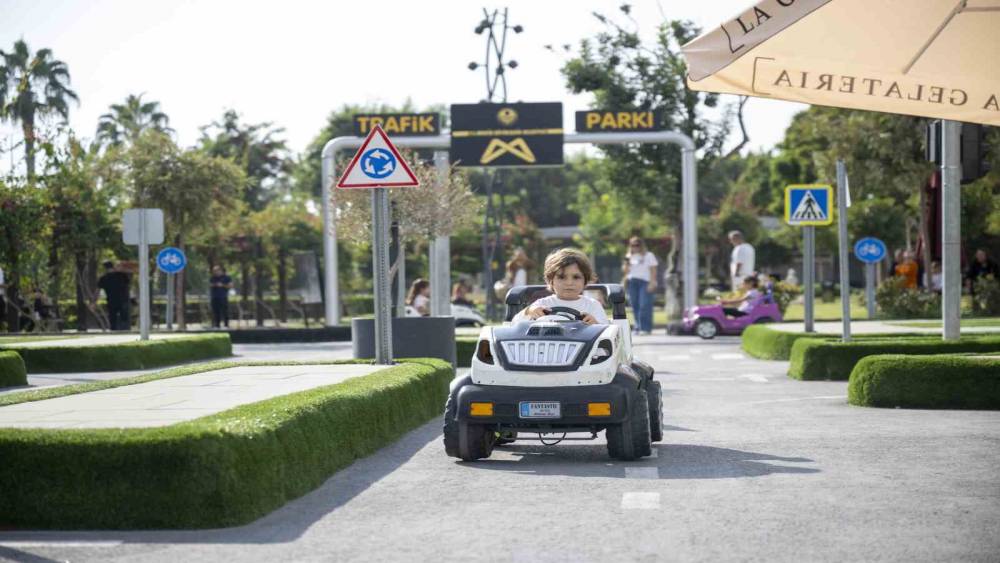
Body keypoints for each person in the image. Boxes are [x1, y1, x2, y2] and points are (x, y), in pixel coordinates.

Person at [514, 248, 608, 325]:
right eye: (562, 277)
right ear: (551, 280)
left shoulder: (592, 306)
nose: (569, 283)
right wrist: (529, 311)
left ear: (585, 280)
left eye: (576, 277)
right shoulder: (542, 304)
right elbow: (514, 325)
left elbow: (607, 332)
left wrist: (595, 324)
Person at [622, 237, 658, 334]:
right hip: (632, 282)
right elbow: (625, 271)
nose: (635, 247)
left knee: (644, 305)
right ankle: (638, 327)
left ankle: (645, 328)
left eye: (637, 245)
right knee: (634, 305)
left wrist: (652, 282)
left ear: (641, 245)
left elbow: (653, 270)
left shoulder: (649, 255)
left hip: (645, 282)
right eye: (632, 245)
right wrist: (627, 261)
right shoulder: (629, 256)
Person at [98, 260, 131, 331]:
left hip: (111, 300)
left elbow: (97, 290)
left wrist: (94, 301)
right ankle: (125, 330)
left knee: (113, 317)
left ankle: (114, 330)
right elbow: (128, 284)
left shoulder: (103, 278)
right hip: (123, 300)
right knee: (124, 317)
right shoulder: (122, 275)